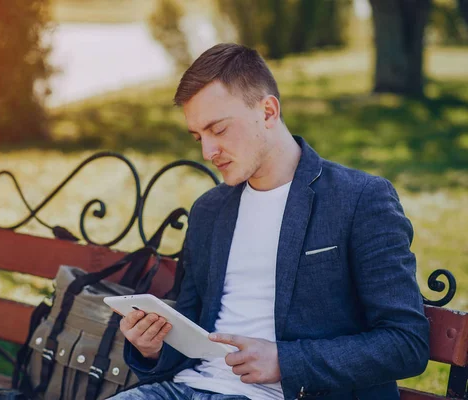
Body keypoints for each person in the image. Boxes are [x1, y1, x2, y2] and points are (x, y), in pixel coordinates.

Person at [109, 43, 429, 400]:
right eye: (199, 137)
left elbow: (406, 342)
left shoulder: (359, 199)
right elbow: (190, 326)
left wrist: (286, 361)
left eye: (219, 129)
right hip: (187, 389)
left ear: (268, 111)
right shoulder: (209, 210)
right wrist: (151, 346)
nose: (207, 152)